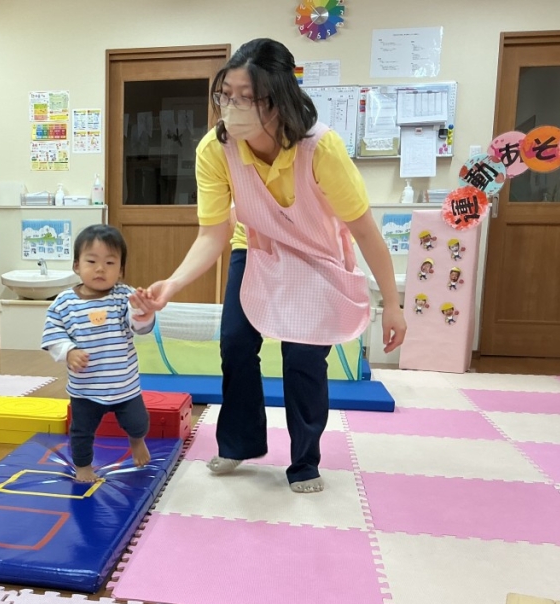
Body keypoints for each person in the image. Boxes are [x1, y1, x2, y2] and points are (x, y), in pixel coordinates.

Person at [139, 39, 406, 494]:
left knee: (304, 357)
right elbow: (213, 233)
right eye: (226, 95)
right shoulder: (215, 149)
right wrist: (175, 282)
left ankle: (305, 461)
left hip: (316, 255)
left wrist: (394, 306)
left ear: (277, 98)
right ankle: (239, 442)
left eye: (247, 97)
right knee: (235, 341)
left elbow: (364, 231)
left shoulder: (320, 148)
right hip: (257, 246)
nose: (233, 107)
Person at [42, 225, 156, 484]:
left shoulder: (124, 297)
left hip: (124, 385)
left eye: (110, 262)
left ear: (121, 270)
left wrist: (143, 312)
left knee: (139, 422)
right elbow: (53, 336)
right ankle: (83, 467)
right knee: (81, 432)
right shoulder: (64, 303)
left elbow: (140, 328)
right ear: (76, 266)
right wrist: (68, 351)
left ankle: (137, 441)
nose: (100, 269)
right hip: (85, 389)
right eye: (91, 261)